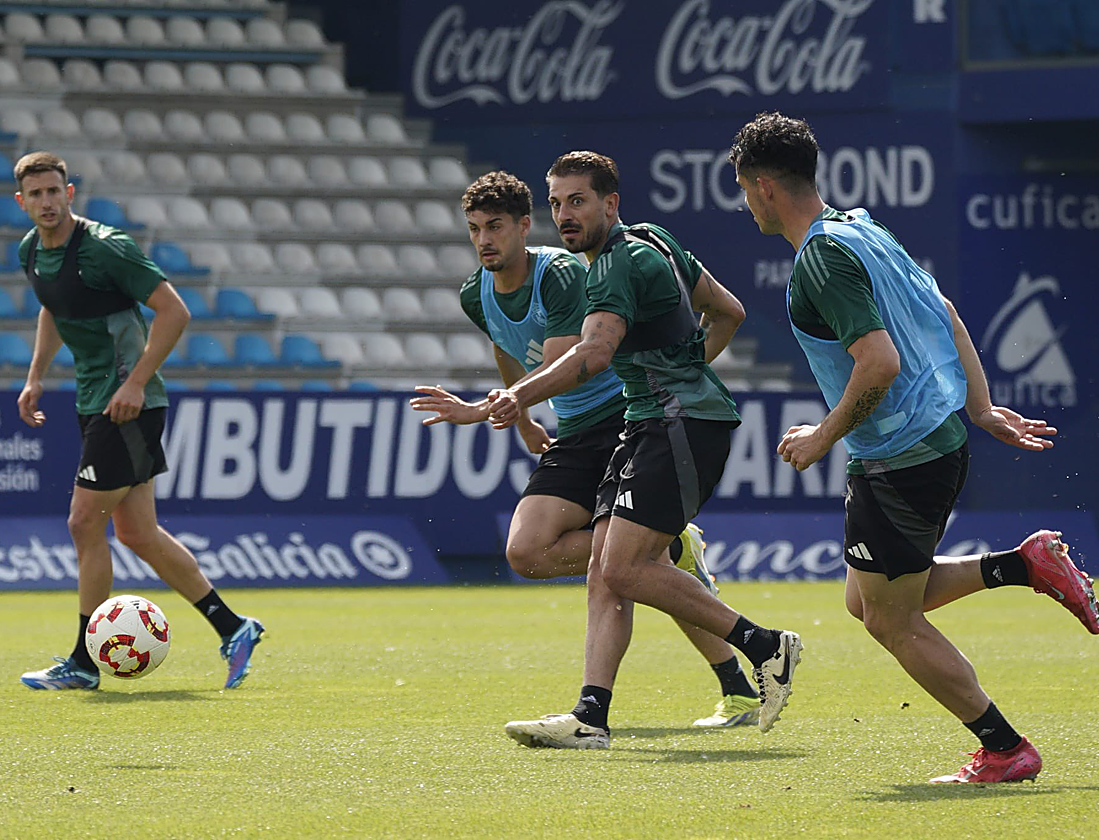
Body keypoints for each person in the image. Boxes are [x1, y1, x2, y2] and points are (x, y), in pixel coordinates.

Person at [728, 111, 1099, 783]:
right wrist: (980, 409)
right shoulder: (861, 228)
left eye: (744, 190)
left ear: (763, 187)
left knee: (889, 621)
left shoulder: (821, 259)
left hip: (900, 457)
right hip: (932, 440)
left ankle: (1005, 749)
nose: (746, 204)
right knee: (865, 600)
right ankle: (1027, 565)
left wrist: (820, 436)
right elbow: (946, 313)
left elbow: (879, 363)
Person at [410, 171, 761, 731]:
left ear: (524, 227)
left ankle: (710, 688)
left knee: (619, 567)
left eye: (495, 227)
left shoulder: (562, 273)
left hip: (620, 418)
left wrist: (486, 408)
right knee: (528, 554)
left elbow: (565, 362)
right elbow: (507, 352)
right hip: (573, 431)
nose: (484, 240)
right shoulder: (475, 293)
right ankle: (672, 553)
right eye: (474, 229)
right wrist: (524, 420)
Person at [490, 152, 804, 747]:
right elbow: (729, 311)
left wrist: (517, 396)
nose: (564, 214)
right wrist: (688, 367)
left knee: (623, 568)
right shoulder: (655, 239)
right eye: (555, 203)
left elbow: (592, 354)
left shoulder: (613, 264)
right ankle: (590, 717)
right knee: (606, 571)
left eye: (577, 201)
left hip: (676, 425)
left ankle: (765, 645)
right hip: (655, 421)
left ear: (610, 203)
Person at [11, 151, 265, 691]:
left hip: (129, 404)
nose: (47, 202)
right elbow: (52, 308)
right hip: (93, 402)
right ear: (21, 201)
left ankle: (83, 663)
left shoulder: (106, 247)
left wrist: (134, 383)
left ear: (70, 193)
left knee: (83, 522)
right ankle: (233, 627)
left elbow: (174, 311)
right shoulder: (31, 250)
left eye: (54, 191)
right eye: (36, 194)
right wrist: (35, 377)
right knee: (137, 533)